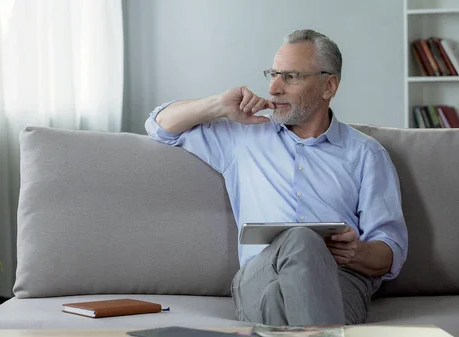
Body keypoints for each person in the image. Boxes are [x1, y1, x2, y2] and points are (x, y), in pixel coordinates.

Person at [144, 29, 408, 326]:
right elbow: (159, 126)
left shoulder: (366, 154)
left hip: (339, 279)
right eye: (273, 74)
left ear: (328, 85)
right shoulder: (244, 135)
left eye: (291, 77)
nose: (274, 88)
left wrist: (356, 251)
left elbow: (390, 252)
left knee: (277, 300)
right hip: (261, 273)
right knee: (301, 240)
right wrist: (218, 105)